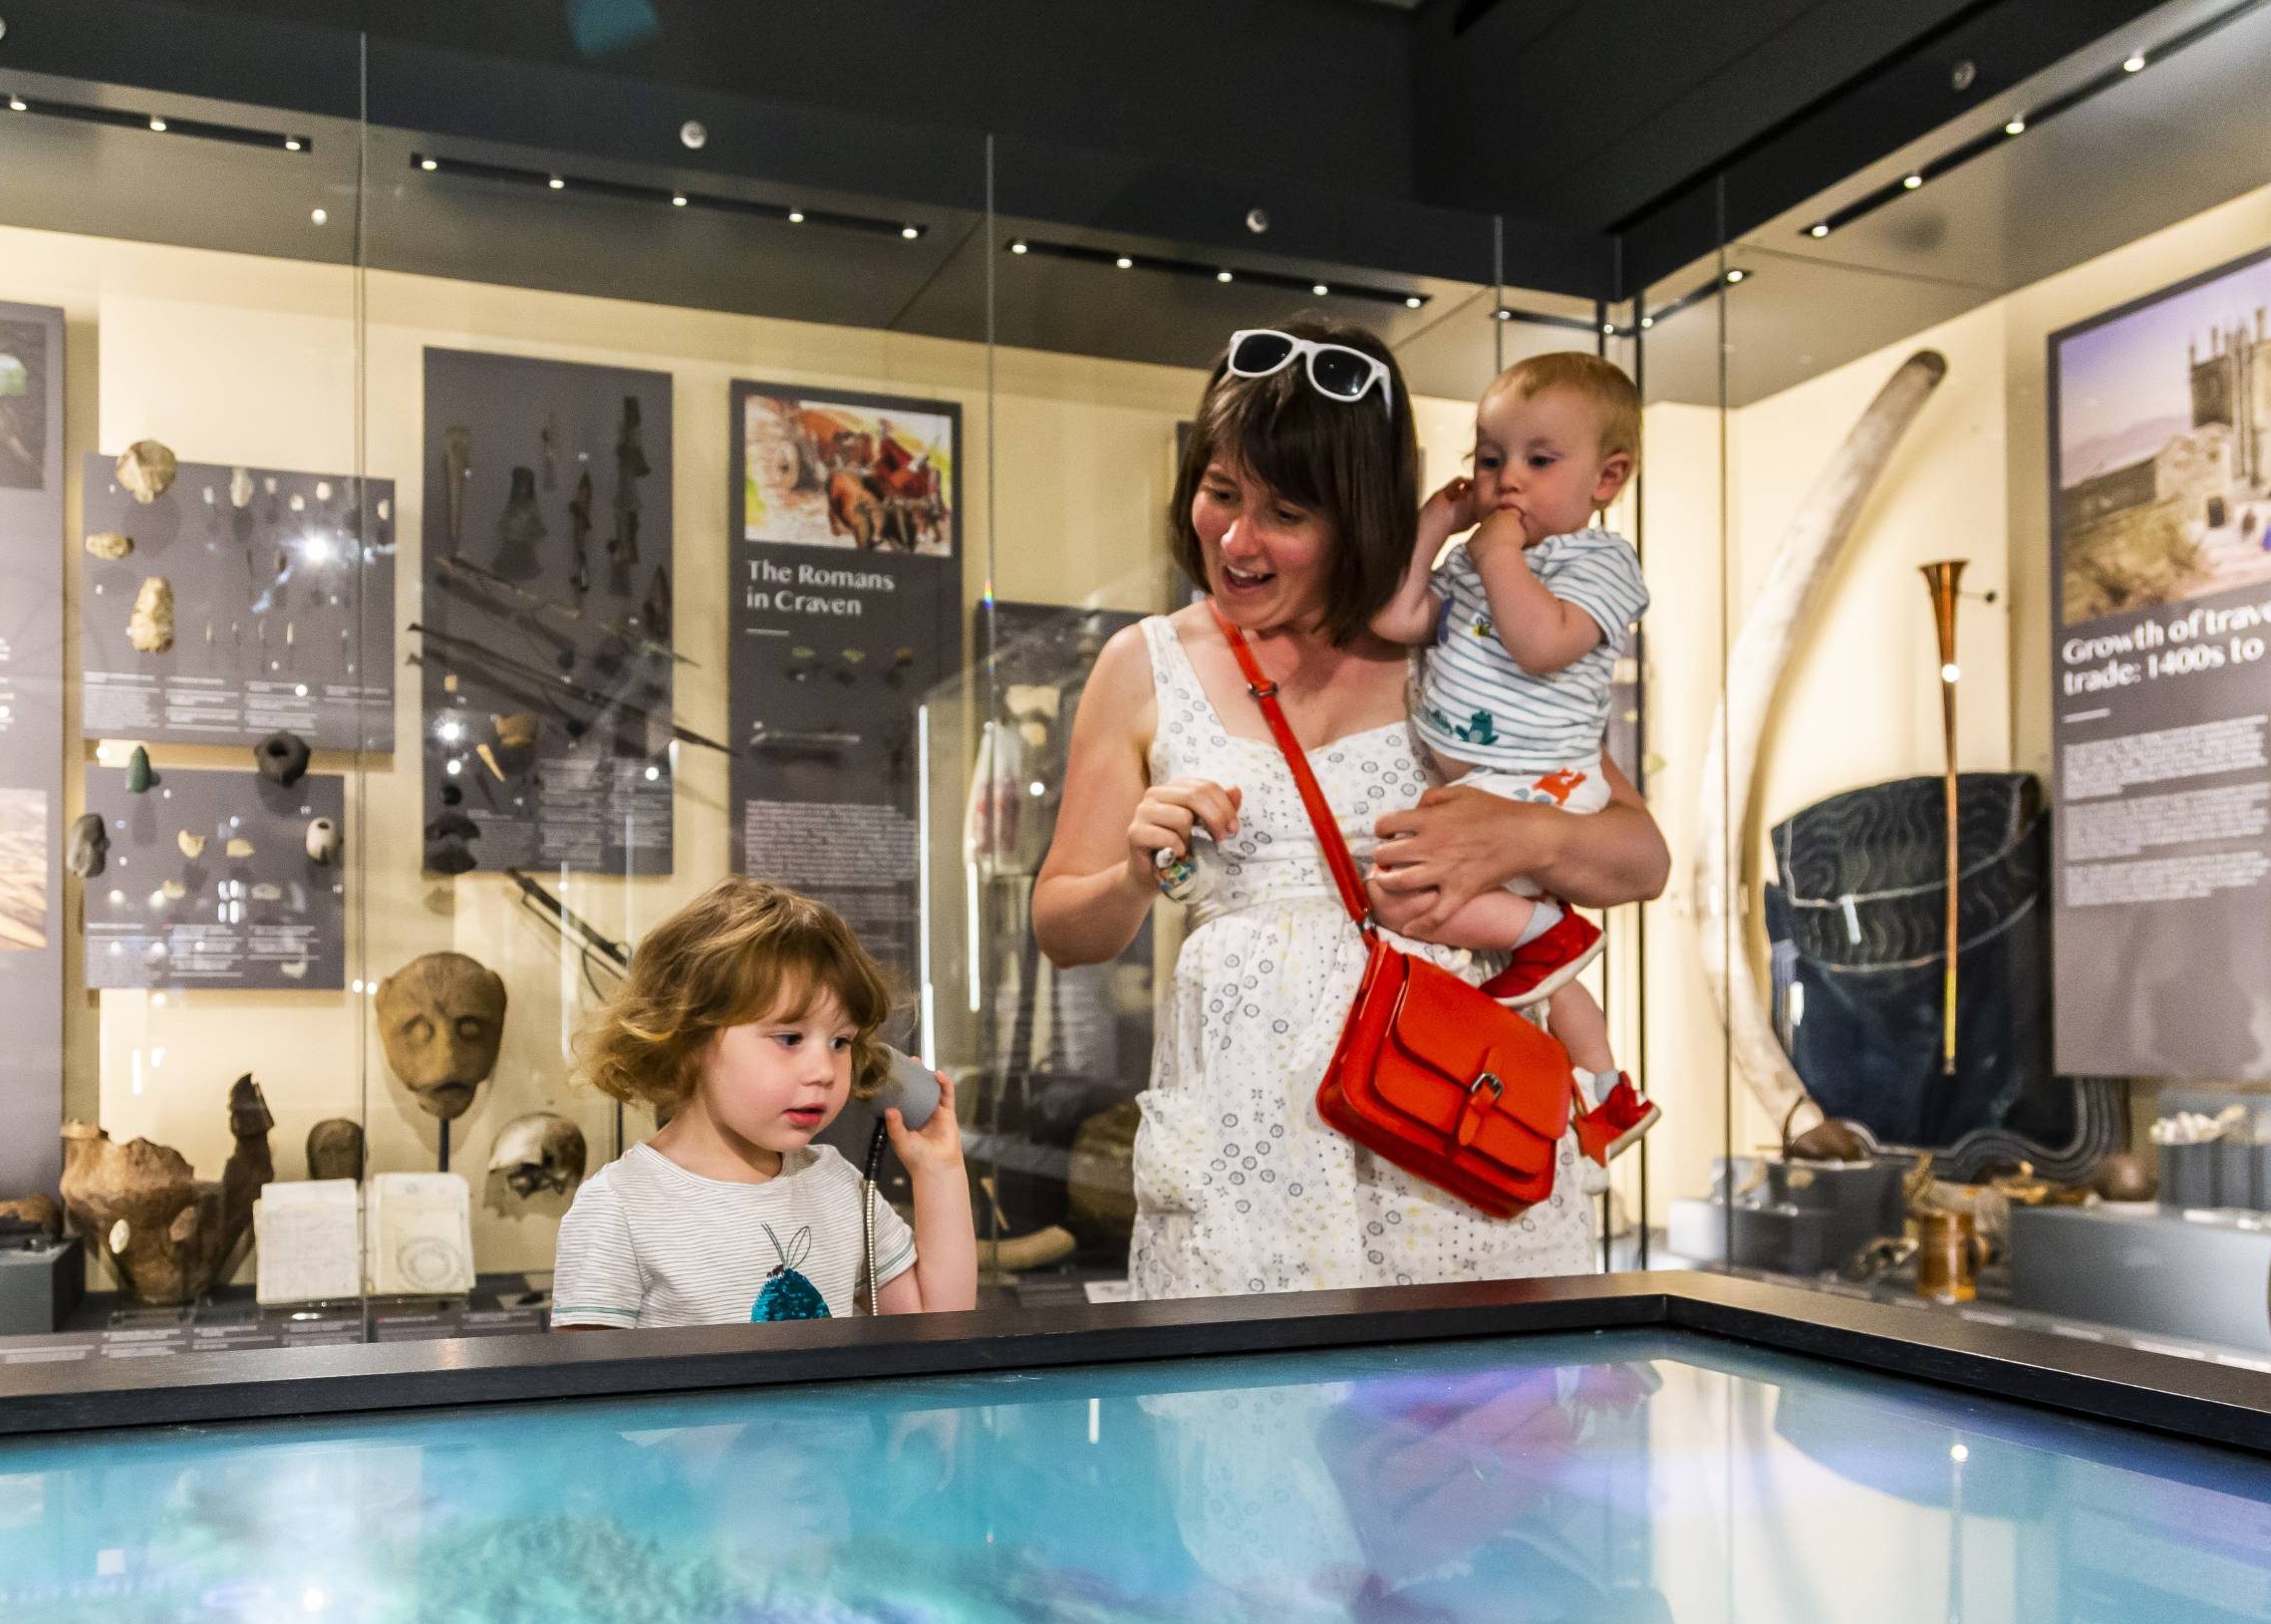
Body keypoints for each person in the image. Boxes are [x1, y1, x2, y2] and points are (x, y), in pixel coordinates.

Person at [1032, 319, 1670, 1300]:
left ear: (1361, 515)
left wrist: (1525, 833)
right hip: (1247, 1175)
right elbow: (1063, 927)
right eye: (1218, 493)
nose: (1236, 540)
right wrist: (1131, 871)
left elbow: (1641, 859)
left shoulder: (1460, 638)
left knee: (1474, 1443)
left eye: (1285, 511)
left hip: (1456, 1158)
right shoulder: (1143, 664)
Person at [1369, 352, 1659, 1167]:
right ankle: (1605, 1094)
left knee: (1401, 888)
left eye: (1539, 460)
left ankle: (1546, 928)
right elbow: (1398, 615)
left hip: (1542, 779)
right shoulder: (1472, 558)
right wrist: (1437, 523)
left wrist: (1497, 552)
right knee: (1548, 982)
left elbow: (1539, 645)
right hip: (1489, 778)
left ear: (1607, 477)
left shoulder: (1602, 563)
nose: (1507, 483)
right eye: (1490, 459)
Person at [551, 877, 976, 1329]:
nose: (824, 1071)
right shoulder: (619, 1208)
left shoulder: (837, 1185)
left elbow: (935, 1324)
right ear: (688, 1038)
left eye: (840, 1041)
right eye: (790, 1038)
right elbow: (587, 1389)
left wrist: (939, 1170)